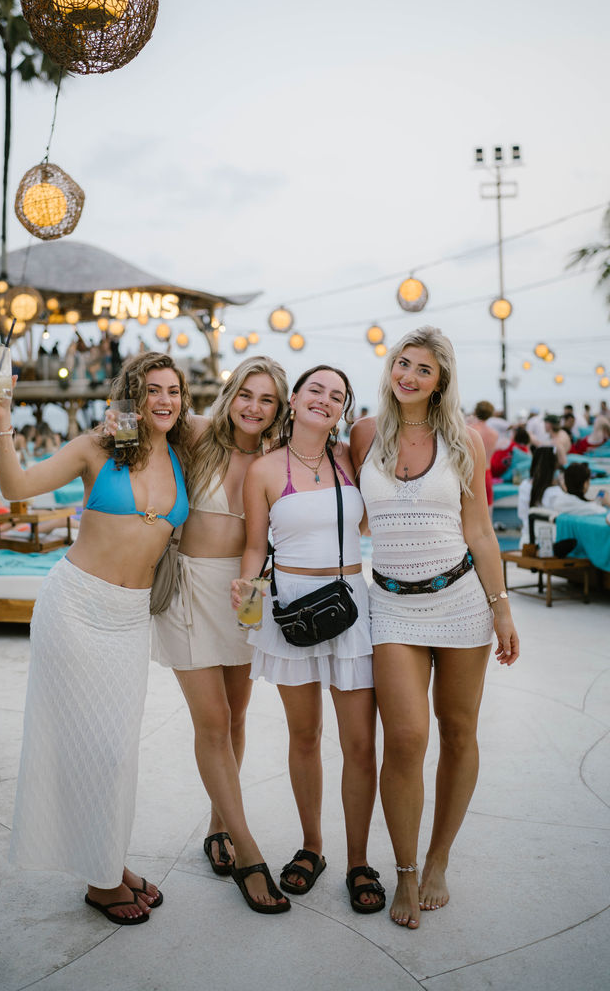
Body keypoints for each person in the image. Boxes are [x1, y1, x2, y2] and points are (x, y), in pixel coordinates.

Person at [0, 351, 192, 927]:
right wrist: (2, 419)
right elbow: (17, 485)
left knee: (116, 752)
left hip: (129, 616)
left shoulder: (182, 454)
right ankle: (101, 881)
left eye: (174, 390)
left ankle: (109, 861)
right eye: (153, 390)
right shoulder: (100, 447)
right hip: (74, 607)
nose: (165, 400)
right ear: (134, 395)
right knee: (86, 747)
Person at [351, 326, 519, 931]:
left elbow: (479, 531)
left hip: (461, 601)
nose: (410, 376)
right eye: (403, 363)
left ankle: (438, 859)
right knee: (405, 739)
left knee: (459, 729)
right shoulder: (365, 434)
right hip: (391, 604)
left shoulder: (463, 440)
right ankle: (402, 869)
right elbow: (342, 508)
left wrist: (500, 607)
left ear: (440, 380)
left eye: (424, 369)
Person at [235, 366, 383, 916]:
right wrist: (249, 604)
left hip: (352, 606)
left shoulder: (352, 458)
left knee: (360, 742)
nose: (325, 399)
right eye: (315, 389)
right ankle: (313, 846)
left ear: (344, 409)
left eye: (337, 395)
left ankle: (359, 859)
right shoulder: (264, 469)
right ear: (293, 400)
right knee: (304, 736)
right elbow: (255, 547)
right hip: (291, 608)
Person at [149, 357, 291, 914]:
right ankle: (250, 853)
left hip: (248, 591)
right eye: (246, 395)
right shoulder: (200, 433)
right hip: (188, 588)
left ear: (280, 408)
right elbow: (146, 411)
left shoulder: (277, 459)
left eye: (268, 400)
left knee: (236, 715)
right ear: (230, 394)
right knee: (211, 721)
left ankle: (218, 826)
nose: (254, 408)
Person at [516, 447, 564, 544]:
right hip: (551, 542)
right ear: (554, 466)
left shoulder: (524, 486)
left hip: (527, 540)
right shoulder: (556, 492)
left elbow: (521, 514)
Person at [544, 461, 610, 516]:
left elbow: (578, 502)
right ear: (585, 484)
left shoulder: (556, 502)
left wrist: (594, 502)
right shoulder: (595, 510)